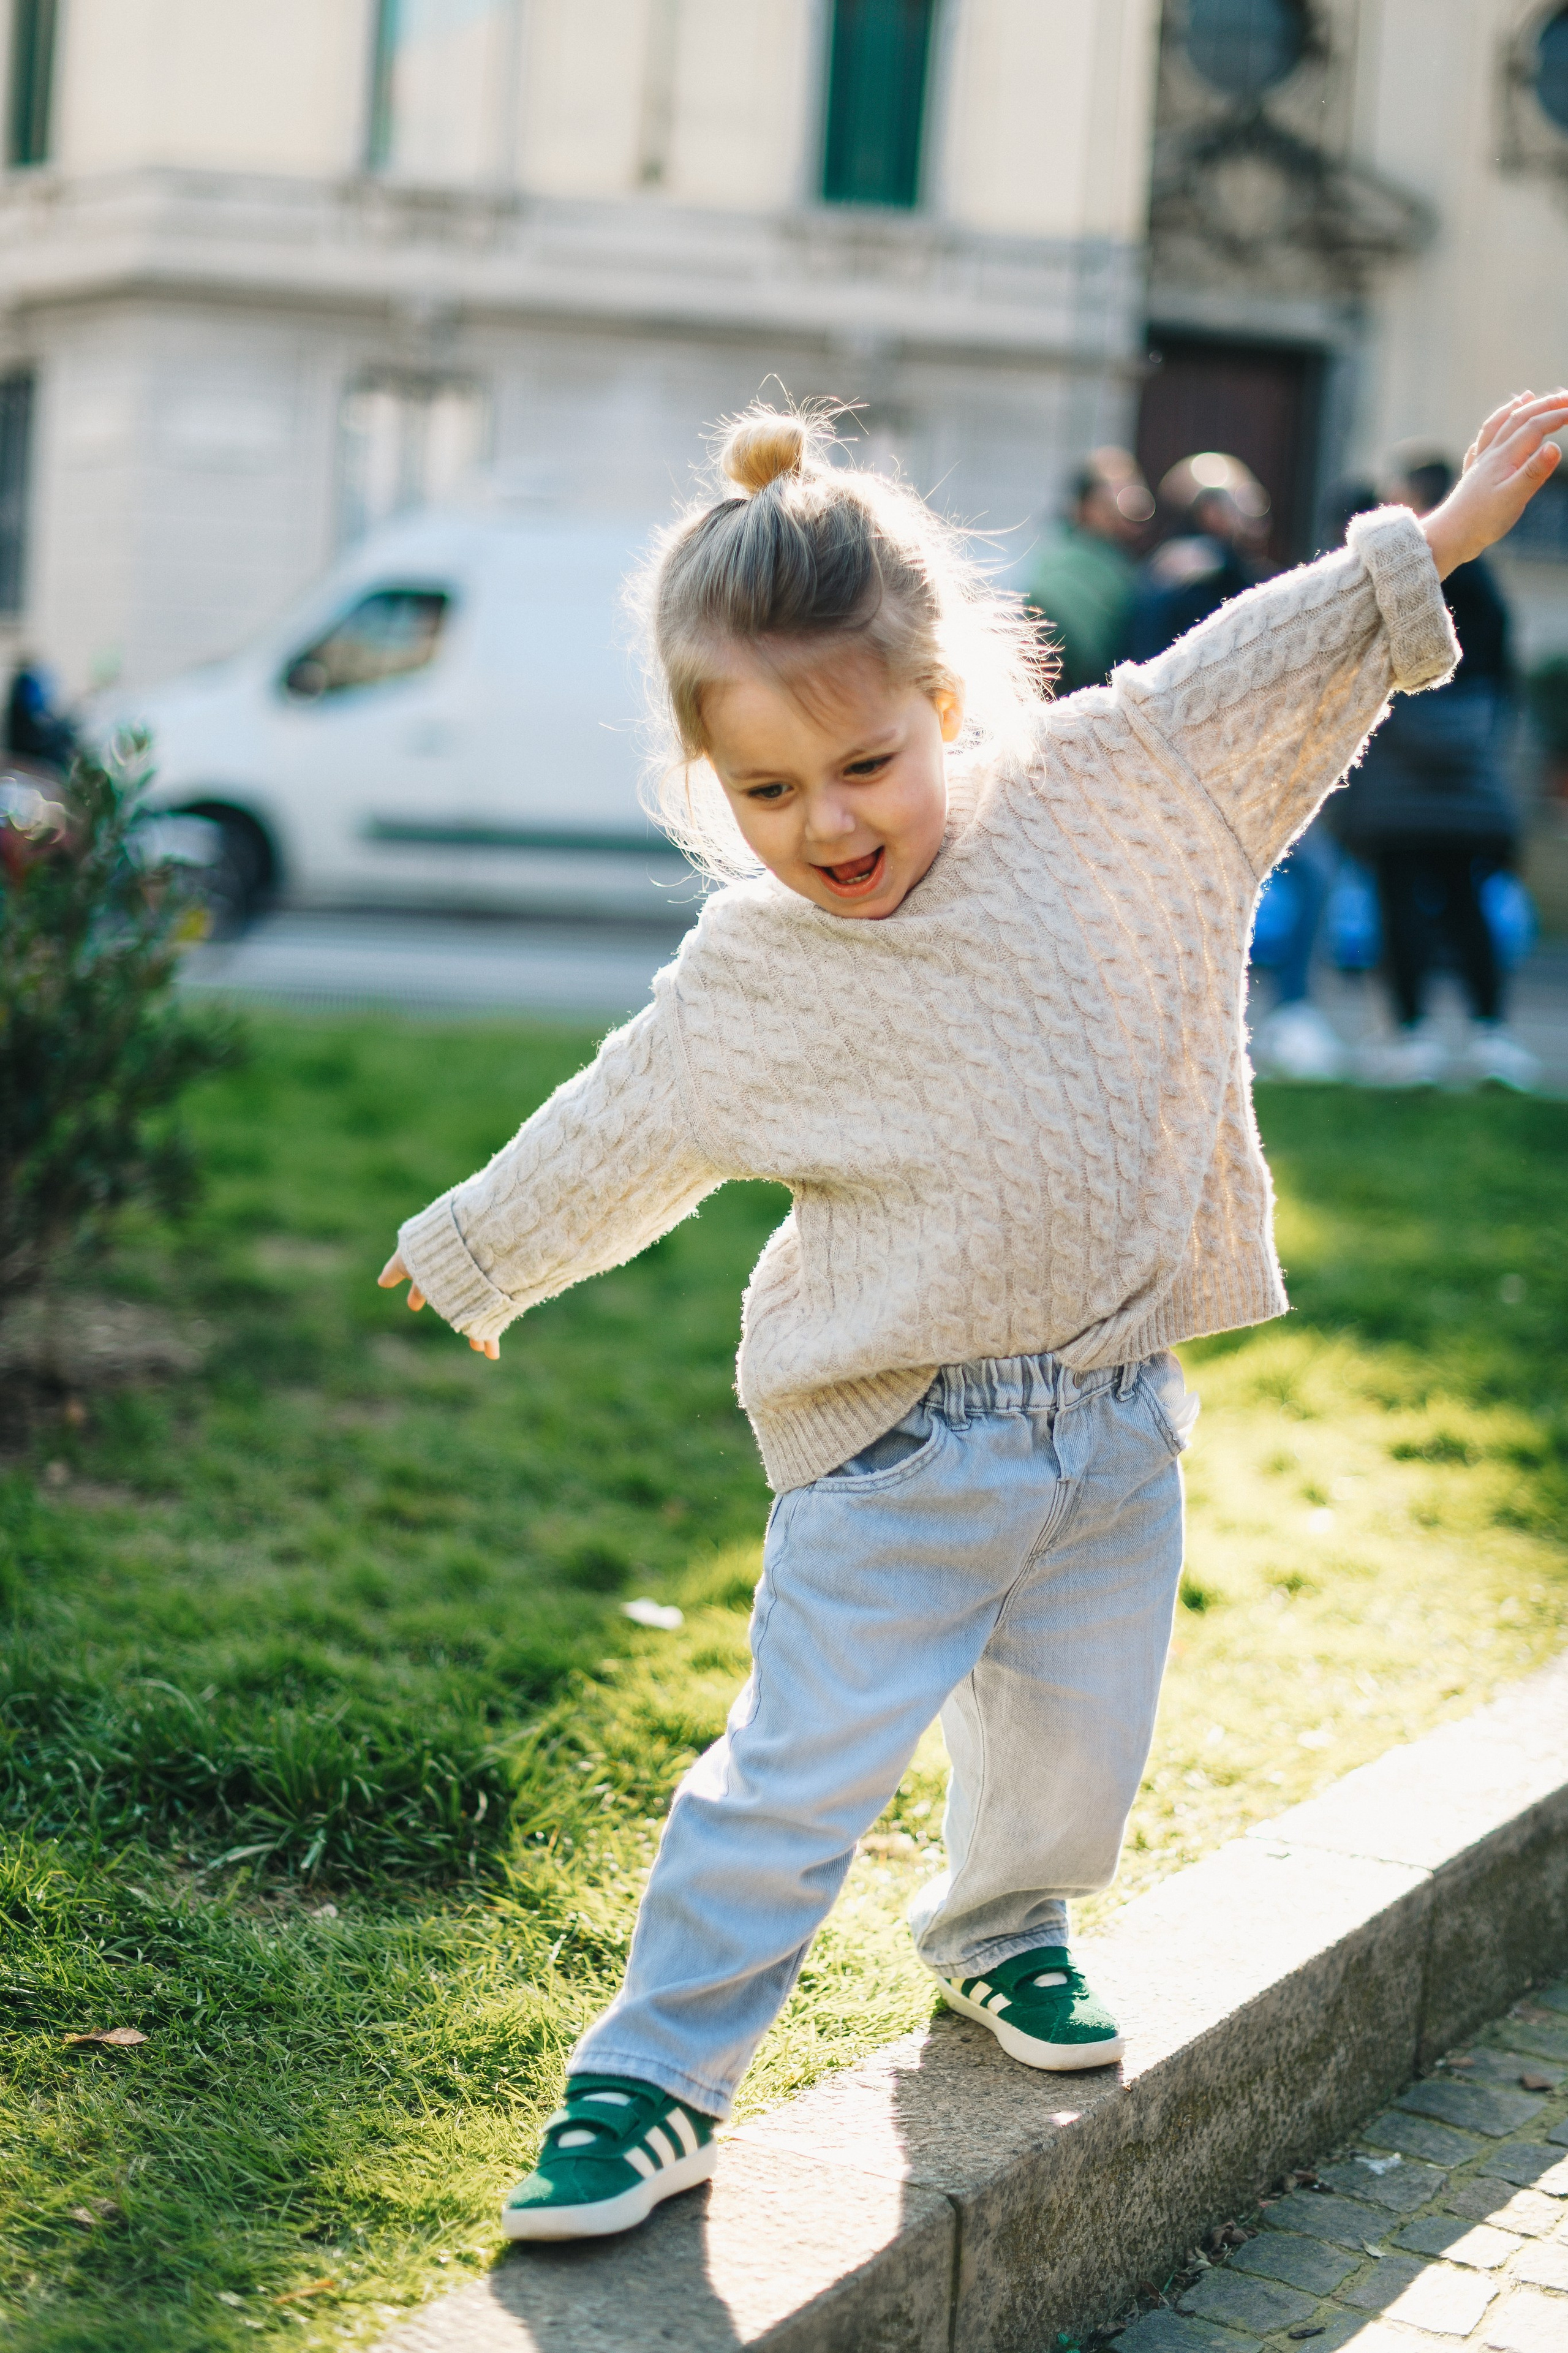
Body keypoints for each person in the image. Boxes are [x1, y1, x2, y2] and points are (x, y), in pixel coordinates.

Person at [380, 390, 1567, 2243]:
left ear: (942, 704)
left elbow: (1259, 656)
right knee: (791, 1775)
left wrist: (1435, 538)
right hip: (895, 1445)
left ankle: (1001, 1926)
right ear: (709, 780)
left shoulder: (1108, 787)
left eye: (860, 762)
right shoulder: (755, 968)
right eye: (763, 792)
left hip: (1110, 1421)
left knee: (1075, 1752)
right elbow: (624, 1112)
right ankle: (649, 2077)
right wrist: (479, 1245)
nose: (825, 823)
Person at [1130, 456, 1347, 1080]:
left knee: (1307, 875)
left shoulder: (1231, 576)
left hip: (1246, 772)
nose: (1250, 519)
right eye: (1237, 506)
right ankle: (1199, 1022)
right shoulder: (1178, 581)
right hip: (1192, 776)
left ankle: (1285, 1015)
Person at [1337, 451, 1539, 1089]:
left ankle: (1410, 1035)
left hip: (1396, 775)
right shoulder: (1484, 586)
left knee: (1401, 904)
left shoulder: (1401, 575)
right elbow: (1504, 683)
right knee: (1464, 903)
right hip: (1467, 780)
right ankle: (1490, 1033)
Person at [1024, 447, 1153, 692]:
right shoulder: (1073, 562)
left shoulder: (1121, 564)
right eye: (1114, 496)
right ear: (1086, 506)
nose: (1130, 503)